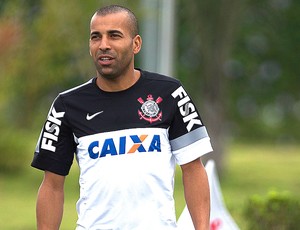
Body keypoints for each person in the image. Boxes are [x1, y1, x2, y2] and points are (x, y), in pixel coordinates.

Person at [31, 4, 213, 230]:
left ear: (136, 44)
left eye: (114, 36)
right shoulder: (66, 105)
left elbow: (193, 169)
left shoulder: (170, 93)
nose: (103, 45)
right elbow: (52, 186)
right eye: (95, 37)